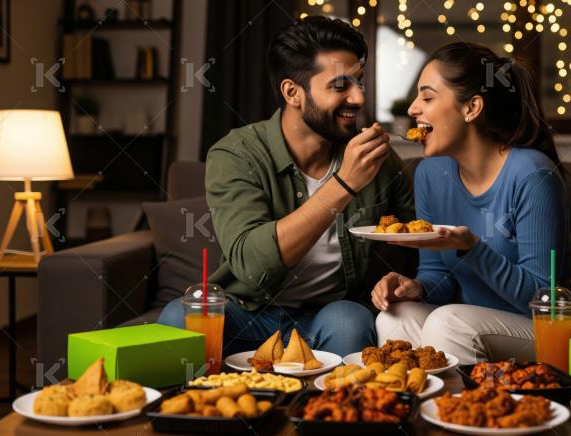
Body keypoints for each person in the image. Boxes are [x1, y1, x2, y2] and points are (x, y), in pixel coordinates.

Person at [158, 16, 414, 357]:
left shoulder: (379, 160)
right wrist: (345, 183)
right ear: (292, 92)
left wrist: (404, 280)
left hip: (330, 311)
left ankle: (324, 409)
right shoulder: (237, 154)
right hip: (247, 312)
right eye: (340, 86)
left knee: (350, 321)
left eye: (359, 83)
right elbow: (252, 269)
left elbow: (416, 241)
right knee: (179, 316)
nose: (358, 99)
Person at [372, 42, 571, 364]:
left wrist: (472, 248)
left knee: (447, 321)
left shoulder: (532, 174)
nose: (413, 109)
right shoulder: (430, 173)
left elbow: (542, 298)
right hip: (473, 325)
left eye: (428, 97)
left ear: (471, 108)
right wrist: (416, 288)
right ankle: (412, 410)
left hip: (555, 332)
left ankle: (469, 412)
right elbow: (437, 275)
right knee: (395, 316)